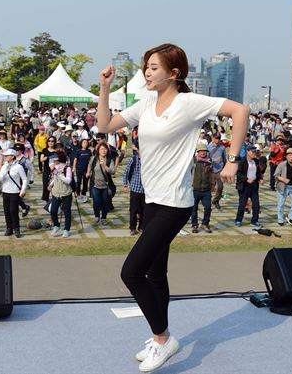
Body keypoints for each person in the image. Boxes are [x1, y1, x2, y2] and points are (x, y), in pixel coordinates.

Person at [98, 43, 247, 372]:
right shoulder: (147, 102)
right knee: (154, 274)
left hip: (176, 203)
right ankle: (162, 338)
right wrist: (105, 89)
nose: (147, 72)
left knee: (131, 272)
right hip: (152, 199)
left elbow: (240, 111)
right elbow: (105, 126)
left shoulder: (190, 103)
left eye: (153, 67)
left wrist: (233, 160)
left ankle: (163, 338)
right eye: (146, 67)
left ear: (174, 73)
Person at [0, 148, 27, 238]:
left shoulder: (19, 167)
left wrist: (23, 190)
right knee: (7, 211)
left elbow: (24, 179)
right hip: (5, 191)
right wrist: (4, 172)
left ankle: (16, 229)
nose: (6, 157)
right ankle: (9, 228)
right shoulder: (4, 166)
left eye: (7, 156)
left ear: (12, 156)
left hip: (14, 192)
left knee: (14, 211)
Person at [234, 145, 264, 227]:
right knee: (242, 204)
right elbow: (238, 174)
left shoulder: (256, 161)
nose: (254, 153)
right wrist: (246, 179)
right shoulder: (242, 161)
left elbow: (258, 173)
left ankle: (255, 220)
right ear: (247, 151)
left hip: (254, 185)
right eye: (252, 152)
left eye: (255, 152)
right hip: (244, 186)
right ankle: (238, 220)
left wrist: (259, 179)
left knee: (256, 204)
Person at [87, 141, 115, 225]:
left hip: (106, 186)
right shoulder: (94, 158)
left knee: (105, 202)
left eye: (105, 149)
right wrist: (88, 172)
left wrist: (104, 166)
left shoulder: (110, 160)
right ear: (98, 150)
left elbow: (112, 171)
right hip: (95, 184)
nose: (103, 151)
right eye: (102, 149)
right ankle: (97, 216)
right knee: (96, 201)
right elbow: (89, 165)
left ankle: (104, 218)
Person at [48, 151, 74, 238]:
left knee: (67, 212)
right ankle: (56, 225)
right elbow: (54, 178)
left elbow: (68, 180)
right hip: (56, 193)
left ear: (59, 159)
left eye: (55, 159)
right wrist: (51, 184)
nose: (53, 161)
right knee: (53, 210)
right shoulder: (55, 167)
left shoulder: (67, 168)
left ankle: (66, 229)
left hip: (66, 193)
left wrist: (59, 174)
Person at [274, 147, 292, 226]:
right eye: (289, 155)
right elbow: (276, 175)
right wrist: (283, 179)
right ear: (286, 156)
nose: (291, 157)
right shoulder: (281, 165)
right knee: (281, 205)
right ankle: (280, 220)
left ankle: (290, 218)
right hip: (283, 187)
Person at [191, 143, 214, 233]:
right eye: (201, 151)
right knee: (194, 209)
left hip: (206, 189)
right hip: (195, 188)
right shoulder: (194, 161)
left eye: (205, 151)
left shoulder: (209, 161)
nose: (203, 153)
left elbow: (212, 173)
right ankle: (194, 225)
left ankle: (205, 224)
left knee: (208, 207)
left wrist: (213, 184)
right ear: (198, 152)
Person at [124, 144, 145, 236]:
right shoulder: (133, 159)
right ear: (137, 150)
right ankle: (132, 228)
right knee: (134, 209)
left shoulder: (149, 160)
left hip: (145, 190)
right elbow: (126, 172)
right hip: (135, 188)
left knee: (144, 210)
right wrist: (125, 185)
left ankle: (141, 227)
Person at [207, 133, 226, 209]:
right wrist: (213, 160)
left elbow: (224, 159)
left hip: (219, 169)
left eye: (219, 138)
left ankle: (216, 200)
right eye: (216, 138)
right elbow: (206, 158)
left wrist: (225, 168)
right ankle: (207, 200)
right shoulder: (209, 147)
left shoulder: (222, 147)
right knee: (210, 187)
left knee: (220, 186)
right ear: (213, 138)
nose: (217, 140)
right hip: (211, 169)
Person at [72, 137, 92, 202]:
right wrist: (73, 168)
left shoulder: (89, 151)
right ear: (81, 143)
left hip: (86, 170)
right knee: (78, 182)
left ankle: (83, 194)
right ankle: (78, 194)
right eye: (84, 142)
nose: (85, 144)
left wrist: (90, 170)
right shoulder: (78, 151)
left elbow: (91, 160)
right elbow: (75, 159)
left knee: (85, 183)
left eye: (86, 142)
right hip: (79, 169)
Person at [40, 136, 58, 202]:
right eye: (49, 141)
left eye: (52, 141)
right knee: (45, 184)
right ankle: (45, 199)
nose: (50, 142)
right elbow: (41, 159)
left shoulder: (56, 151)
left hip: (54, 170)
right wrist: (47, 157)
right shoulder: (44, 150)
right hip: (46, 169)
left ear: (54, 142)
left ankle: (55, 198)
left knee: (54, 185)